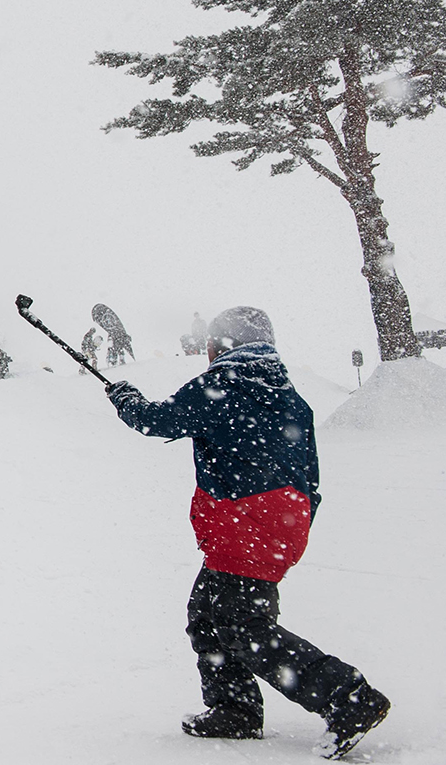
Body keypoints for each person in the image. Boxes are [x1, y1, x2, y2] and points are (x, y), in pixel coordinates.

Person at [104, 307, 389, 757]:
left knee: (243, 627)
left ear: (223, 344)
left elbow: (156, 420)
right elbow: (310, 476)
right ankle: (233, 710)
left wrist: (125, 397)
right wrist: (291, 525)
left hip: (243, 524)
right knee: (206, 615)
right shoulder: (290, 396)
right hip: (278, 524)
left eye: (211, 344)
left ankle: (348, 697)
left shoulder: (222, 385)